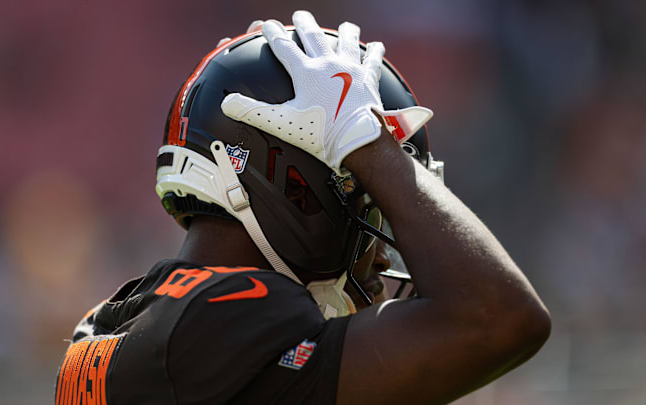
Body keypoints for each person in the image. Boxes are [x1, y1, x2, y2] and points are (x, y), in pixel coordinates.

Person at [55, 11, 550, 405]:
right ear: (298, 191)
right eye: (375, 202)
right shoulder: (240, 317)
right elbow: (500, 318)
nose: (383, 254)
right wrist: (369, 145)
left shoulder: (110, 323)